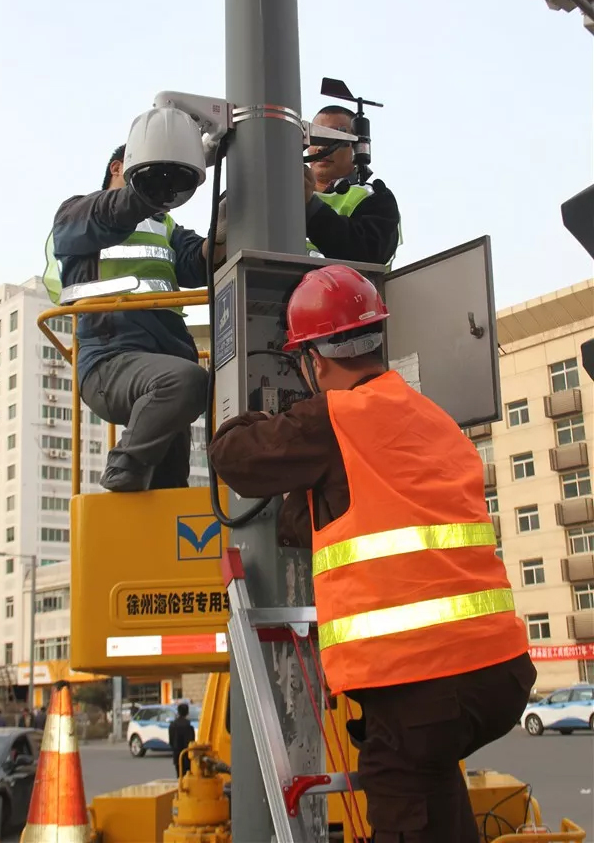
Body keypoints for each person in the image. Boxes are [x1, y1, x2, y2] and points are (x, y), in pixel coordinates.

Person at [208, 265, 536, 843]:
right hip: (500, 672)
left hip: (423, 682)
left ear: (313, 359)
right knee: (433, 784)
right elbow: (358, 505)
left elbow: (233, 456)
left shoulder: (331, 417)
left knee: (400, 792)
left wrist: (271, 411)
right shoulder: (432, 418)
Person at [45, 145, 225, 492]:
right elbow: (115, 210)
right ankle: (123, 464)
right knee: (186, 382)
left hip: (166, 357)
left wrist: (223, 234)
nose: (161, 184)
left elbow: (197, 259)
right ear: (117, 168)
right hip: (111, 361)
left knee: (170, 485)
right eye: (147, 170)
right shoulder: (79, 214)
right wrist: (176, 168)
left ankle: (139, 504)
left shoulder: (165, 226)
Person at [303, 105, 401, 266]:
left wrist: (310, 206)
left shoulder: (374, 196)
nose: (321, 147)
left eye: (333, 138)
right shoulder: (281, 194)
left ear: (357, 147)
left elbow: (367, 255)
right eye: (316, 137)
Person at [169, 703, 196, 776]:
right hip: (186, 755)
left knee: (179, 776)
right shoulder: (189, 727)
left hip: (177, 754)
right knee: (187, 776)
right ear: (187, 712)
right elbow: (192, 742)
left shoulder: (172, 725)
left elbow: (171, 741)